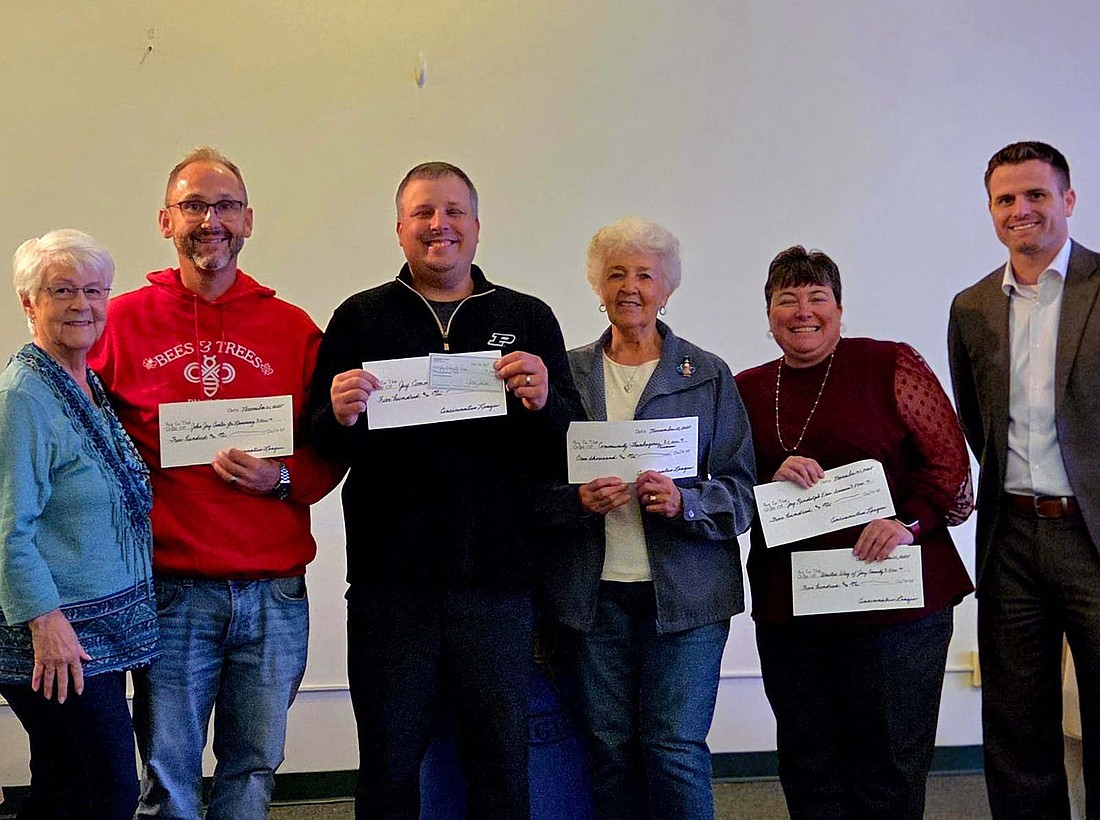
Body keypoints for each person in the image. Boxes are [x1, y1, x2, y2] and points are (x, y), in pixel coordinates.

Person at [308, 161, 581, 819]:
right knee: (389, 769)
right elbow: (322, 444)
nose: (440, 225)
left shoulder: (527, 316)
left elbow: (567, 445)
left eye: (454, 211)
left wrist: (545, 401)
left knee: (500, 768)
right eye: (424, 213)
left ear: (477, 226)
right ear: (400, 230)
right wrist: (338, 413)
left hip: (498, 586)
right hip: (389, 590)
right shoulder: (360, 317)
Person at [88, 148, 345, 820]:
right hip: (172, 592)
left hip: (274, 595)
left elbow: (333, 446)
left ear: (249, 220)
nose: (211, 220)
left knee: (253, 771)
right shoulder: (118, 324)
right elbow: (78, 439)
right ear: (165, 220)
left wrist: (282, 477)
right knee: (167, 778)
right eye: (194, 206)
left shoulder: (292, 328)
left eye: (225, 206)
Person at [734, 245, 974, 819]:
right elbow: (725, 483)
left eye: (817, 297)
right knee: (808, 759)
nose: (802, 311)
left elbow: (952, 472)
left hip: (895, 605)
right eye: (786, 299)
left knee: (888, 762)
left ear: (839, 309)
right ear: (768, 315)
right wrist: (770, 475)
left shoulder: (890, 363)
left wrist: (906, 523)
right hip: (794, 609)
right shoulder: (743, 388)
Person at [541, 218, 755, 819]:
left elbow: (741, 493)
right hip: (593, 597)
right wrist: (577, 500)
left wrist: (686, 502)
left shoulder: (708, 374)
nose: (629, 287)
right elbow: (535, 490)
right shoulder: (567, 372)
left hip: (687, 600)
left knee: (674, 747)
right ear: (598, 287)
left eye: (644, 274)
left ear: (667, 288)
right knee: (608, 749)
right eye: (616, 274)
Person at [948, 141, 1100, 819]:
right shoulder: (972, 306)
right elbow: (977, 421)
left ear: (1067, 201)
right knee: (1016, 726)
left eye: (1037, 195)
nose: (1022, 210)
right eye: (1006, 199)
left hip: (1091, 537)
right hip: (1010, 538)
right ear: (990, 211)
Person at [0, 229, 156, 819]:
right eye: (61, 290)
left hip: (95, 634)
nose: (81, 305)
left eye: (94, 290)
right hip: (60, 637)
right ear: (28, 302)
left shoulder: (83, 381)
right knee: (107, 791)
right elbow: (7, 528)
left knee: (67, 786)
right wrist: (47, 622)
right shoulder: (23, 397)